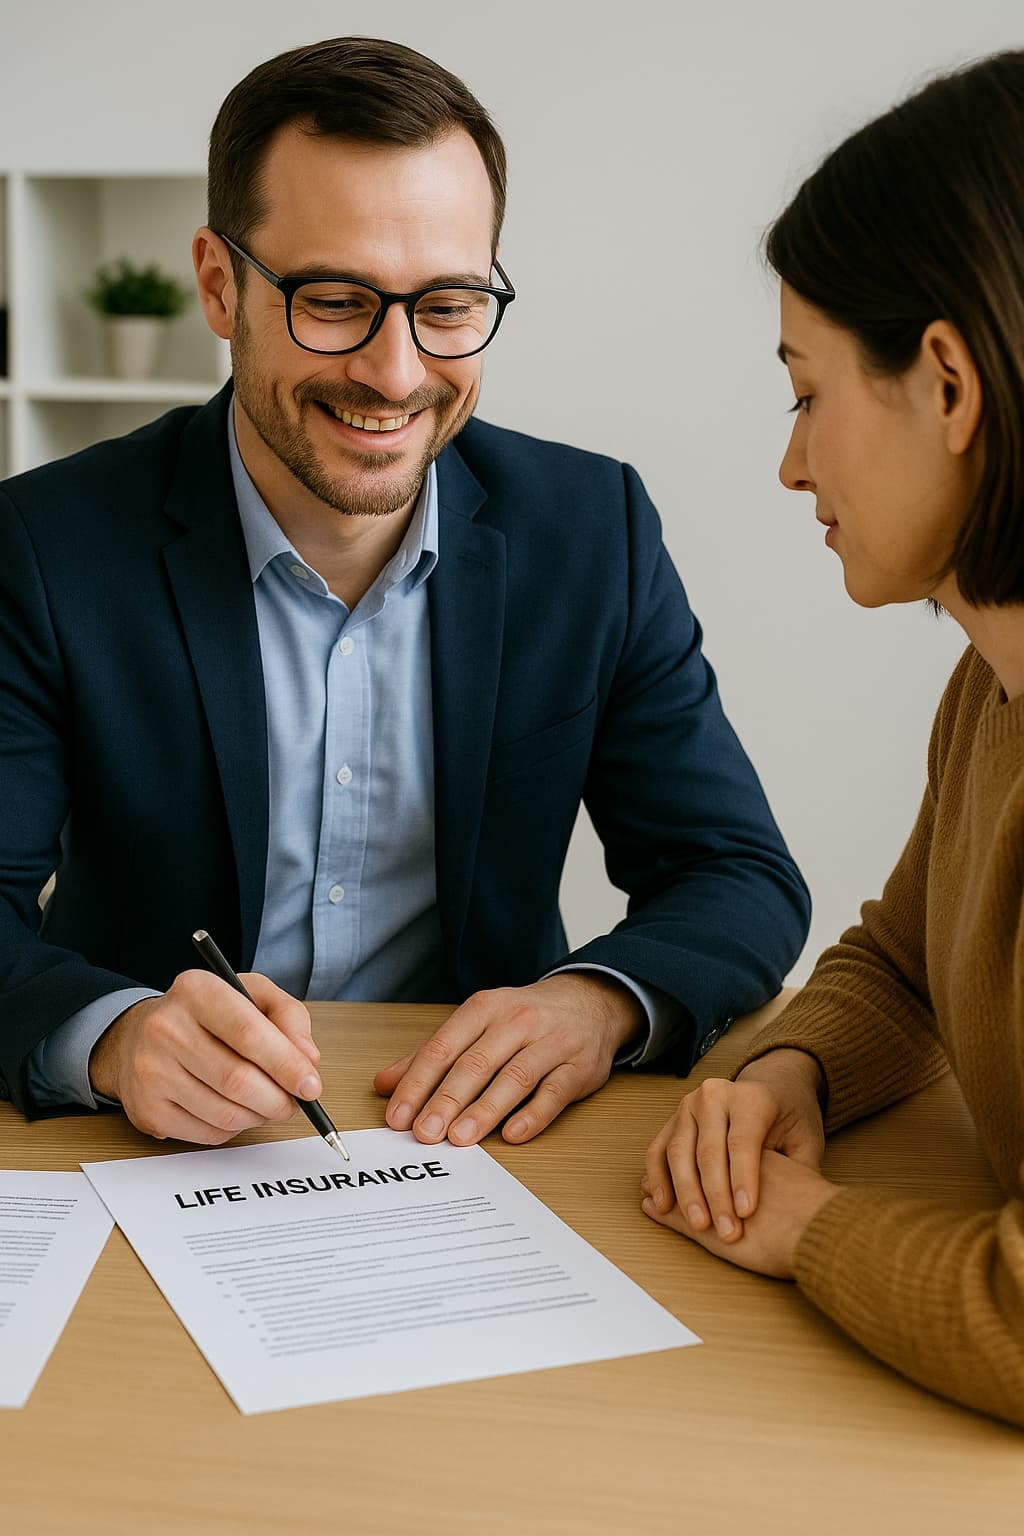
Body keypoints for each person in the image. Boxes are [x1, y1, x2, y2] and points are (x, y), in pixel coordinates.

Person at [0, 37, 809, 1150]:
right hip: (146, 1148)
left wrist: (594, 1004)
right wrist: (113, 1036)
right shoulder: (45, 543)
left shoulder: (591, 531)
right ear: (219, 284)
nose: (394, 373)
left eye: (446, 303)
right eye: (333, 300)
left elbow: (735, 872)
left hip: (479, 1146)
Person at [641, 49, 1024, 1428]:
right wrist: (788, 1067)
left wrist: (802, 1227)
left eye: (807, 392)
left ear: (949, 384)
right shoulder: (991, 693)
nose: (791, 463)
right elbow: (909, 963)